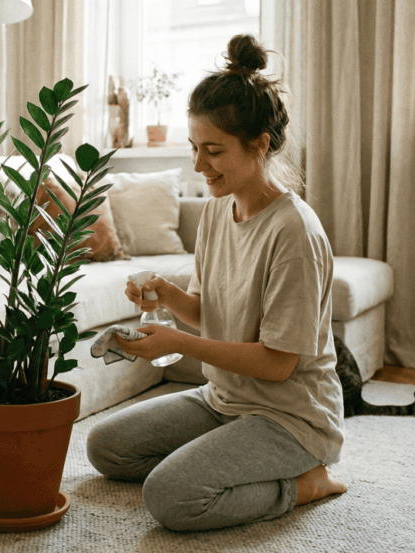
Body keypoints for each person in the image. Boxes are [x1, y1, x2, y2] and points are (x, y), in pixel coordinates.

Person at [85, 34, 347, 532]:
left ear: (260, 145)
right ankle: (222, 461)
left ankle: (306, 482)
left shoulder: (295, 231)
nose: (198, 166)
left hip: (291, 419)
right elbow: (210, 311)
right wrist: (167, 294)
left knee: (170, 497)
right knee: (106, 447)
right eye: (193, 148)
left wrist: (181, 344)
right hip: (223, 400)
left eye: (213, 151)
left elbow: (276, 363)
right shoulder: (214, 212)